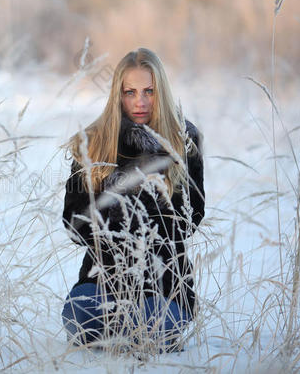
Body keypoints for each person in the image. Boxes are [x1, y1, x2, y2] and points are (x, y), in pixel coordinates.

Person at [61, 48, 204, 352]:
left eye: (149, 91)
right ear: (118, 94)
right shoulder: (93, 141)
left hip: (164, 283)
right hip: (104, 279)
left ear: (160, 92)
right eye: (130, 92)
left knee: (155, 323)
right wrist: (115, 230)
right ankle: (120, 322)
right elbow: (73, 218)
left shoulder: (184, 138)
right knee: (79, 313)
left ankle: (138, 325)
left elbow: (193, 214)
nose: (140, 101)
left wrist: (143, 220)